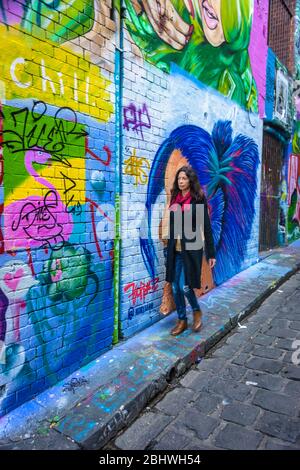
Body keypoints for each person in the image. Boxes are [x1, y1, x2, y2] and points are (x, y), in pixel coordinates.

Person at [163, 165, 216, 336]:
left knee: (185, 287)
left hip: (191, 248)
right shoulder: (175, 198)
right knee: (176, 287)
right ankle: (182, 320)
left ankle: (196, 310)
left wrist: (211, 253)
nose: (180, 181)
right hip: (175, 248)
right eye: (179, 178)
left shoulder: (198, 199)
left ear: (190, 180)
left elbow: (206, 226)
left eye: (184, 178)